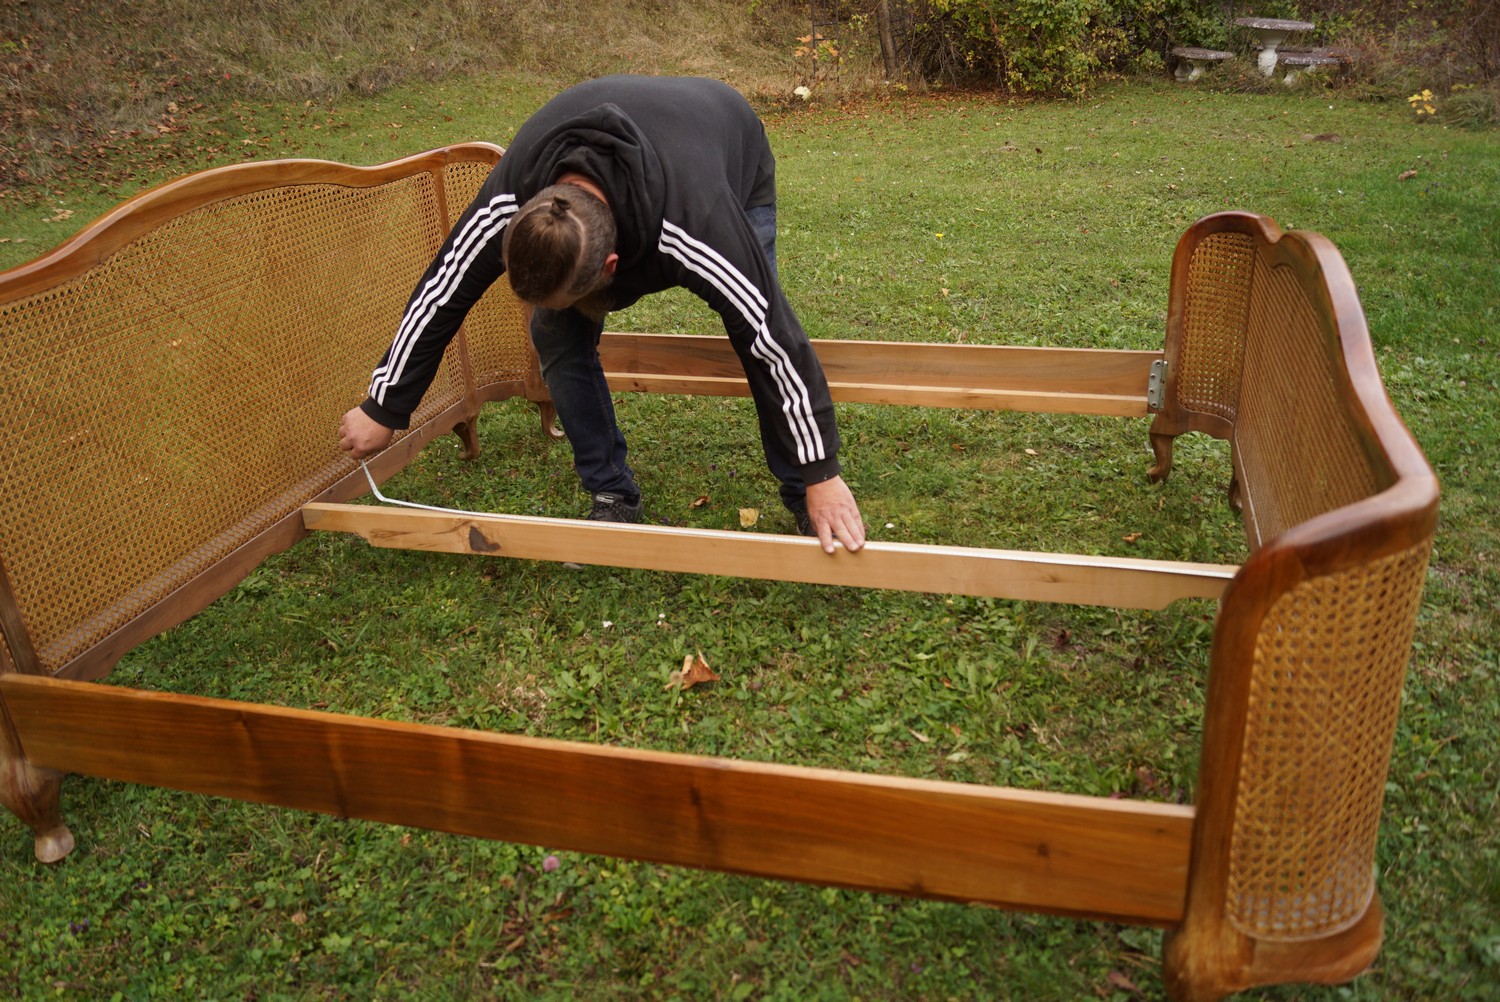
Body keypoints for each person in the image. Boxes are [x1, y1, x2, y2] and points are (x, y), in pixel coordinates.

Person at [338, 75, 865, 554]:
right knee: (554, 332)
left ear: (610, 269)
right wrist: (386, 404)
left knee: (749, 319)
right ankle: (611, 491)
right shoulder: (511, 196)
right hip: (643, 138)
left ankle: (803, 491)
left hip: (728, 150)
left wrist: (822, 471)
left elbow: (771, 338)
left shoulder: (699, 223)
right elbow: (442, 290)